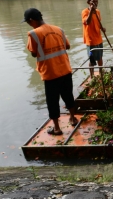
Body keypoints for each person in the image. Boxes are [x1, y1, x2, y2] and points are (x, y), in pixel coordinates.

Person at [23, 8, 78, 136]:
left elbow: (33, 53)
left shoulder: (34, 34)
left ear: (31, 20)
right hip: (64, 70)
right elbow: (67, 46)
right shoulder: (59, 30)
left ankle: (57, 128)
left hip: (50, 73)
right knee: (68, 95)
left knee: (52, 101)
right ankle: (73, 118)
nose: (28, 25)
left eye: (28, 22)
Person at [82, 0, 106, 79]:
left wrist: (102, 28)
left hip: (99, 38)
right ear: (89, 2)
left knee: (100, 58)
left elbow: (98, 23)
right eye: (93, 1)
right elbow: (87, 22)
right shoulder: (85, 12)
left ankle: (101, 73)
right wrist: (91, 11)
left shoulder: (98, 12)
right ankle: (92, 77)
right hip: (91, 40)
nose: (96, 3)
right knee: (92, 60)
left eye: (96, 1)